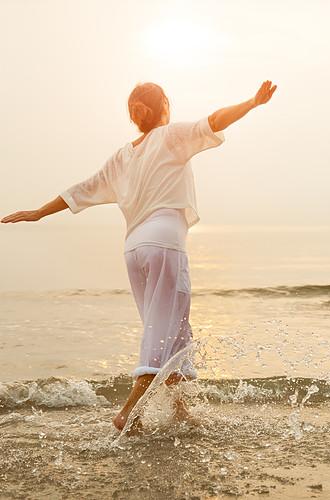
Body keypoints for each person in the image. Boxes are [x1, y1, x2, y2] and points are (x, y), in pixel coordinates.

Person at [1, 79, 278, 432]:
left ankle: (179, 409)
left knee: (171, 328)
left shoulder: (122, 156)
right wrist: (252, 102)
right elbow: (214, 120)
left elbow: (82, 190)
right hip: (164, 243)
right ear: (163, 105)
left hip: (134, 249)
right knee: (163, 331)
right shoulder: (170, 135)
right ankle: (130, 413)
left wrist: (39, 212)